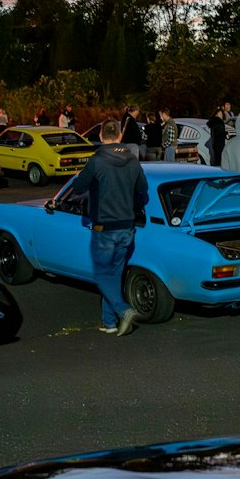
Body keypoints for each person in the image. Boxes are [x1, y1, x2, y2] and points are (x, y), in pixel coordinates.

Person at [65, 120, 148, 336]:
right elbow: (143, 188)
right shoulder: (132, 160)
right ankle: (109, 323)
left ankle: (123, 310)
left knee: (102, 274)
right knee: (114, 275)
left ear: (101, 136)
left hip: (104, 227)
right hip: (127, 227)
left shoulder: (96, 161)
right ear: (120, 136)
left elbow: (78, 187)